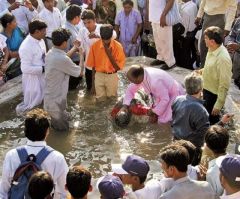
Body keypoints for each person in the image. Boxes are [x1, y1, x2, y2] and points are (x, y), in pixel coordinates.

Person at [0, 108, 68, 198]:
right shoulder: (57, 158)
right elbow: (64, 191)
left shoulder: (11, 155)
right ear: (47, 131)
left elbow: (4, 189)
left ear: (25, 131)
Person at [172, 73, 232, 148]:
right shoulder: (201, 110)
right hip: (191, 148)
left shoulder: (177, 100)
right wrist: (222, 122)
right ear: (201, 89)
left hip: (176, 142)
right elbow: (207, 134)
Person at [44, 28, 81, 131]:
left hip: (49, 100)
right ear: (64, 42)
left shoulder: (50, 53)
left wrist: (74, 48)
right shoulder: (61, 59)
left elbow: (64, 58)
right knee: (63, 133)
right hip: (56, 104)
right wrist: (82, 55)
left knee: (53, 131)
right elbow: (80, 73)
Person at [197, 26, 232, 124]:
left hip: (214, 95)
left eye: (205, 39)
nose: (204, 40)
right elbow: (211, 67)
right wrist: (202, 71)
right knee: (204, 118)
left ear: (212, 41)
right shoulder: (211, 49)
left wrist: (218, 104)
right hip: (207, 89)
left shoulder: (223, 58)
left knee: (212, 123)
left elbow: (224, 83)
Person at [77, 9, 117, 91]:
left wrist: (98, 36)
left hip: (103, 64)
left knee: (104, 89)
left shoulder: (101, 28)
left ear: (94, 20)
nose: (87, 25)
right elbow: (80, 47)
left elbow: (114, 35)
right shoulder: (82, 31)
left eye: (89, 22)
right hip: (89, 65)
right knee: (90, 89)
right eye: (84, 23)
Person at [16, 19, 47, 115]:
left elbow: (43, 56)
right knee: (33, 105)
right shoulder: (26, 46)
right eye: (44, 31)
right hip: (32, 79)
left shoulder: (41, 40)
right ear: (37, 32)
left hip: (42, 75)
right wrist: (43, 69)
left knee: (43, 100)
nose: (45, 33)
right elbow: (24, 68)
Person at [86, 24, 125, 99]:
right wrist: (93, 85)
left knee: (112, 100)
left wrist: (109, 54)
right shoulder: (94, 46)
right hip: (98, 76)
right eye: (104, 40)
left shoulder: (118, 47)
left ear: (111, 36)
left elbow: (117, 68)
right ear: (101, 36)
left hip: (112, 76)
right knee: (100, 100)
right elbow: (93, 67)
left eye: (108, 40)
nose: (106, 42)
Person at [195, 0, 237, 66]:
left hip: (219, 19)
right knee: (204, 45)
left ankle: (214, 71)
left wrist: (227, 27)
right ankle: (203, 68)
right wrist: (199, 16)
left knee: (215, 47)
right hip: (206, 18)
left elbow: (232, 7)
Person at [148, 0, 181, 70]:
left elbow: (170, 1)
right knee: (158, 41)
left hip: (163, 17)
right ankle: (161, 58)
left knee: (166, 41)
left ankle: (171, 63)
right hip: (154, 17)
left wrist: (163, 15)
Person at [201, 125, 229, 196]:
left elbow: (212, 195)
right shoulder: (237, 159)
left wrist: (203, 179)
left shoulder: (211, 172)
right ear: (227, 143)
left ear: (207, 145)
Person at [64, 4, 83, 90]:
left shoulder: (72, 27)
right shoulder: (68, 31)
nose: (80, 19)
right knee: (73, 87)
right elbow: (65, 53)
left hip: (74, 61)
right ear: (75, 17)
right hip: (72, 62)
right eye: (80, 17)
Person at [178, 0, 198, 69]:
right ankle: (191, 66)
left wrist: (183, 35)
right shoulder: (193, 5)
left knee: (185, 53)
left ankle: (186, 67)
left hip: (186, 34)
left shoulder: (185, 9)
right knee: (191, 52)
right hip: (193, 32)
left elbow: (185, 25)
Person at [227, 17, 240, 89]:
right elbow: (232, 35)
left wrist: (238, 47)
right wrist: (230, 43)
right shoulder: (238, 20)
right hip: (236, 57)